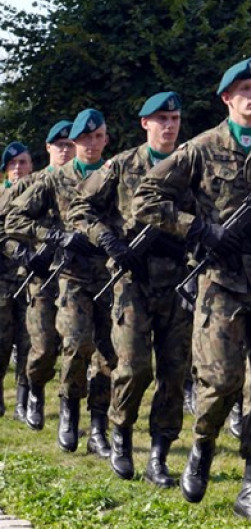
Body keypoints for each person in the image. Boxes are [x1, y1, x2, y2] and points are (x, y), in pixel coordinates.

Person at [132, 56, 251, 523]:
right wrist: (198, 230)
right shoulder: (200, 149)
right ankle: (202, 446)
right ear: (227, 99)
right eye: (245, 90)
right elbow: (146, 200)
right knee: (221, 382)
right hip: (221, 284)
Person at [69, 92, 191, 487]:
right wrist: (108, 240)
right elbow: (80, 208)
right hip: (132, 282)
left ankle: (159, 455)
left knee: (174, 373)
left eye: (174, 117)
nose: (169, 125)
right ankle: (119, 434)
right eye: (161, 119)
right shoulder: (122, 166)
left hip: (178, 281)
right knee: (135, 367)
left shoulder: (191, 163)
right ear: (145, 124)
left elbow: (210, 213)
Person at [8, 109, 118, 457]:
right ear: (73, 142)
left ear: (105, 139)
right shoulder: (53, 180)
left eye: (97, 137)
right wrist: (55, 236)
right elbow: (15, 219)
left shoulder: (116, 173)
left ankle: (99, 427)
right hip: (69, 276)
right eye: (83, 139)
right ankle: (67, 409)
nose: (90, 144)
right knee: (75, 345)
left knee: (110, 356)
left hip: (111, 275)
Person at [2, 121, 75, 430]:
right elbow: (4, 226)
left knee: (74, 345)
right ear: (48, 148)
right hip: (35, 276)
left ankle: (67, 409)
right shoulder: (28, 185)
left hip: (75, 277)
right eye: (59, 145)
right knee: (36, 344)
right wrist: (24, 254)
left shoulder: (86, 181)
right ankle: (32, 396)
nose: (65, 149)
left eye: (70, 144)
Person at [0, 142, 34, 419]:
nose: (18, 168)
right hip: (3, 279)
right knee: (2, 341)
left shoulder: (40, 194)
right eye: (13, 165)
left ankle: (24, 402)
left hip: (32, 279)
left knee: (29, 342)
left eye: (23, 162)